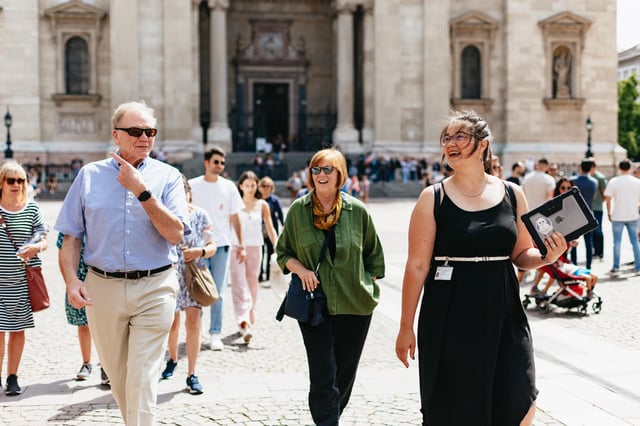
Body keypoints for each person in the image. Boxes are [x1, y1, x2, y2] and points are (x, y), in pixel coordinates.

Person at [395, 110, 567, 425]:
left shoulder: (513, 193)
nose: (450, 143)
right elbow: (417, 265)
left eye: (460, 136)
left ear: (483, 145)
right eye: (446, 137)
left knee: (520, 396)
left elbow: (521, 254)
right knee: (458, 404)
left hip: (504, 310)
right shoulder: (432, 197)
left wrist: (545, 257)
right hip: (450, 313)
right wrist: (406, 325)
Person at [55, 100, 189, 426]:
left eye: (150, 131)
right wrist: (72, 281)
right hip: (102, 288)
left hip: (155, 286)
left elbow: (176, 234)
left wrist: (142, 192)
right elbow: (70, 236)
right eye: (135, 131)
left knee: (141, 378)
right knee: (119, 380)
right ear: (116, 135)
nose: (144, 138)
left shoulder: (168, 177)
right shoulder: (89, 176)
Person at [276, 148, 385, 425]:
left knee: (344, 373)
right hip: (314, 304)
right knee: (324, 373)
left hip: (355, 304)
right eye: (316, 170)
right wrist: (301, 271)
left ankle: (331, 417)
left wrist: (365, 285)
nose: (321, 175)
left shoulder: (357, 211)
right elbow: (283, 252)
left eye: (328, 170)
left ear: (340, 175)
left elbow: (374, 257)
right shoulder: (298, 212)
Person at [161, 176, 216, 394]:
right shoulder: (165, 216)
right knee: (172, 324)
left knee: (193, 322)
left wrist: (199, 252)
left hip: (193, 274)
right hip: (171, 274)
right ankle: (172, 358)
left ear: (188, 193)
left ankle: (192, 373)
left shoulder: (201, 215)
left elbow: (212, 245)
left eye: (182, 194)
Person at [189, 147, 246, 351]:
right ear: (206, 163)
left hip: (222, 246)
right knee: (196, 290)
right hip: (198, 247)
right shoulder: (193, 185)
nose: (220, 166)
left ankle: (215, 333)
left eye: (222, 163)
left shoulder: (229, 186)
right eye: (216, 162)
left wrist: (240, 243)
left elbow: (234, 217)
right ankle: (197, 327)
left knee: (219, 292)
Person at [0, 160, 48, 396]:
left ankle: (12, 377)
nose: (17, 184)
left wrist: (36, 248)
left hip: (20, 281)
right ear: (2, 182)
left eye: (21, 180)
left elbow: (44, 238)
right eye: (11, 180)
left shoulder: (32, 208)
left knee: (17, 331)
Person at [55, 233, 110, 386]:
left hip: (102, 280)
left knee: (105, 326)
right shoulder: (71, 227)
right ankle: (86, 363)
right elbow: (62, 256)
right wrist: (69, 282)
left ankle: (106, 365)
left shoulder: (100, 221)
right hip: (79, 279)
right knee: (83, 324)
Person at [230, 171, 277, 342]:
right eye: (247, 185)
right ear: (240, 186)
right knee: (239, 284)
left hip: (256, 247)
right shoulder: (234, 203)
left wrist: (277, 246)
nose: (250, 188)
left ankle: (248, 313)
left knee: (252, 283)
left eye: (253, 185)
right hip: (236, 247)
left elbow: (270, 227)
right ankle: (243, 320)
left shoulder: (262, 204)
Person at [604, 159, 640, 276]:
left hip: (618, 215)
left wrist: (609, 212)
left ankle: (616, 267)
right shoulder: (637, 182)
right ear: (630, 168)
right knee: (635, 242)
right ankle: (638, 267)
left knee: (617, 242)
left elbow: (608, 199)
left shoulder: (614, 181)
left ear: (619, 168)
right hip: (633, 215)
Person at [570, 159, 598, 270]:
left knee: (573, 241)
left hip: (574, 214)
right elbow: (594, 197)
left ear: (580, 167)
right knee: (588, 242)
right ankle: (588, 266)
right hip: (588, 212)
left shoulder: (573, 180)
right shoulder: (594, 182)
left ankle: (574, 265)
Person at [258, 176, 284, 283]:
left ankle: (269, 274)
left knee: (270, 252)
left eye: (268, 186)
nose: (266, 188)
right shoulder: (257, 199)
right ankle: (259, 275)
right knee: (260, 253)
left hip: (271, 228)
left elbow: (280, 214)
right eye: (264, 186)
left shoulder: (274, 200)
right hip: (259, 229)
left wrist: (283, 225)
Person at [588, 158, 607, 259]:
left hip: (597, 207)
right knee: (592, 230)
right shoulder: (590, 177)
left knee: (598, 230)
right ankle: (595, 250)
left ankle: (600, 252)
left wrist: (600, 202)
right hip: (591, 207)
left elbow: (604, 192)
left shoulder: (600, 177)